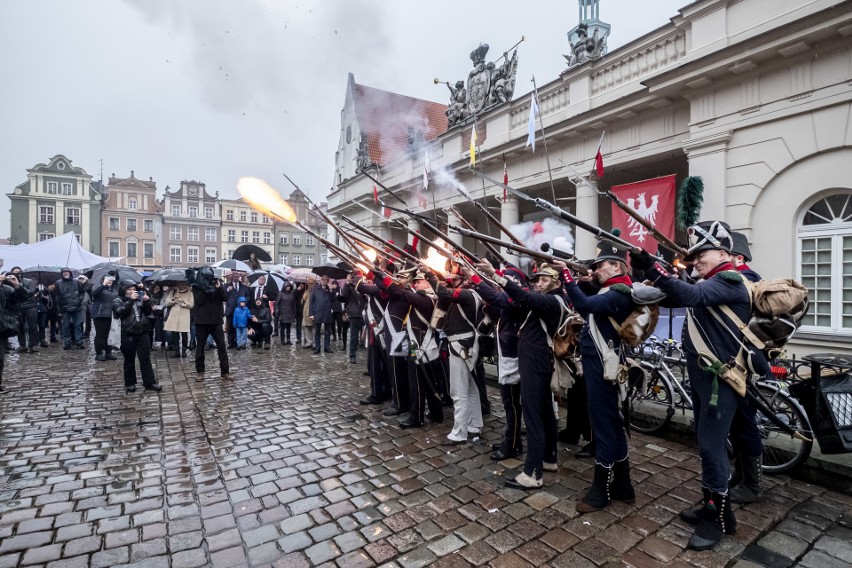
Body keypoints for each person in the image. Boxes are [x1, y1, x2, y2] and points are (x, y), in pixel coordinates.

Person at [630, 220, 772, 551]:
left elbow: (690, 294)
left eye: (701, 254)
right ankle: (721, 512)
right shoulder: (709, 281)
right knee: (709, 444)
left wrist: (654, 264)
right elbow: (665, 296)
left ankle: (716, 519)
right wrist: (645, 271)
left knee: (710, 447)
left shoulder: (729, 279)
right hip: (706, 377)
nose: (695, 260)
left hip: (718, 380)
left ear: (723, 253)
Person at [560, 245, 637, 512]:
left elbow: (583, 305)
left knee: (604, 425)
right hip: (602, 363)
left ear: (617, 266)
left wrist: (567, 278)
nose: (595, 270)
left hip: (604, 365)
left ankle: (600, 490)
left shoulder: (620, 292)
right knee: (612, 425)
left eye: (600, 265)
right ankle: (623, 484)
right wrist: (584, 281)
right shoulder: (612, 290)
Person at [476, 261, 564, 489]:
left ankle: (532, 473)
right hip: (537, 360)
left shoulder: (553, 299)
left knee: (533, 416)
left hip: (536, 361)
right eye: (538, 279)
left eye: (545, 280)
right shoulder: (551, 299)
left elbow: (521, 296)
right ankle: (549, 458)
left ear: (556, 282)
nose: (538, 283)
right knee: (544, 413)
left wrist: (494, 274)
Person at [465, 263, 527, 461]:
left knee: (512, 405)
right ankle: (511, 439)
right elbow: (493, 306)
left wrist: (475, 278)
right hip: (506, 357)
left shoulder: (517, 299)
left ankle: (513, 444)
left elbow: (497, 297)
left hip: (514, 360)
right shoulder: (508, 298)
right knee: (509, 404)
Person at [375, 266, 444, 429]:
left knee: (417, 384)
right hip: (420, 345)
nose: (416, 284)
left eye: (419, 282)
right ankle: (436, 414)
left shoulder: (427, 299)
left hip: (420, 346)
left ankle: (416, 417)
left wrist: (382, 276)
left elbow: (401, 293)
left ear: (428, 284)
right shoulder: (425, 297)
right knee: (428, 382)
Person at [424, 269, 483, 446]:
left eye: (453, 280)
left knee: (458, 391)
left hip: (461, 345)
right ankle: (474, 425)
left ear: (463, 280)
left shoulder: (466, 293)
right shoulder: (468, 293)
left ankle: (459, 432)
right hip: (465, 344)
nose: (449, 283)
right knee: (471, 388)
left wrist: (429, 275)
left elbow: (442, 292)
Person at [112, 279, 160, 393]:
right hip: (127, 333)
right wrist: (130, 300)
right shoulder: (117, 300)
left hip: (142, 332)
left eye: (134, 289)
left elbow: (148, 312)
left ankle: (149, 382)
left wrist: (147, 301)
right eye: (129, 289)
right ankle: (130, 383)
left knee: (145, 358)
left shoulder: (139, 299)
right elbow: (120, 313)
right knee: (129, 359)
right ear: (124, 290)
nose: (132, 291)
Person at [191, 267, 231, 381]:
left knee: (222, 347)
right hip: (202, 322)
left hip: (216, 321)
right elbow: (199, 301)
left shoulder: (217, 284)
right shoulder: (197, 287)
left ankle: (225, 372)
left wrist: (219, 288)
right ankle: (200, 371)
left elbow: (225, 298)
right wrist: (205, 289)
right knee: (200, 348)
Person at [0, 273, 28, 391]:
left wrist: (17, 285)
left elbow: (23, 298)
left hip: (1, 327)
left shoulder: (6, 289)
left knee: (0, 357)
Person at [8, 267, 39, 353]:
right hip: (18, 307)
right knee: (19, 327)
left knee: (32, 326)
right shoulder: (9, 283)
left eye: (19, 272)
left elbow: (30, 293)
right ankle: (22, 345)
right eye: (15, 273)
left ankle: (34, 344)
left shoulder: (29, 281)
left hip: (30, 306)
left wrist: (18, 285)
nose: (17, 274)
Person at [53, 268, 86, 350]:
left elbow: (82, 292)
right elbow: (56, 296)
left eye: (67, 272)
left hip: (76, 307)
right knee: (65, 326)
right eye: (63, 272)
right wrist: (60, 306)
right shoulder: (58, 283)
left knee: (77, 325)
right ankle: (67, 342)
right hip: (65, 308)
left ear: (70, 273)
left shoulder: (76, 282)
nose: (65, 273)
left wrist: (79, 301)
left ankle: (79, 342)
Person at [339, 271, 367, 364]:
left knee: (368, 337)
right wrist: (347, 282)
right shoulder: (349, 287)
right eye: (354, 277)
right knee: (353, 337)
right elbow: (343, 295)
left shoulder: (363, 286)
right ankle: (352, 355)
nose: (356, 279)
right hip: (354, 314)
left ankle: (370, 356)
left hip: (364, 314)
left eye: (357, 277)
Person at [91, 274, 119, 361]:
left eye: (111, 280)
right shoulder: (97, 287)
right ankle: (99, 354)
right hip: (100, 315)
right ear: (102, 280)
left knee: (110, 335)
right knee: (100, 335)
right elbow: (94, 293)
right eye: (107, 279)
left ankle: (108, 352)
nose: (109, 281)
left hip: (111, 315)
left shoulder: (114, 290)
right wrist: (103, 284)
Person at [164, 282, 194, 358]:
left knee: (184, 334)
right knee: (174, 334)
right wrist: (173, 300)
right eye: (180, 284)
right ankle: (176, 351)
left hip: (184, 315)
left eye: (183, 284)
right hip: (174, 315)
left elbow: (191, 304)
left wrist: (182, 302)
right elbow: (167, 302)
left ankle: (184, 351)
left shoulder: (190, 293)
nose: (181, 285)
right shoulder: (173, 291)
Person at [309, 274, 336, 354]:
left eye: (326, 280)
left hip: (327, 312)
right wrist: (311, 314)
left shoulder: (329, 289)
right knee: (317, 331)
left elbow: (334, 300)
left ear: (328, 281)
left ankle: (326, 347)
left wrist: (331, 291)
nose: (324, 281)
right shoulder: (315, 289)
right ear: (320, 280)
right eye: (323, 279)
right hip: (317, 313)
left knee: (327, 331)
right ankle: (317, 347)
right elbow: (311, 303)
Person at [224, 272, 249, 348]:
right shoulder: (226, 286)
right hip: (230, 309)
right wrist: (227, 291)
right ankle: (230, 343)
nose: (236, 278)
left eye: (238, 277)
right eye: (234, 277)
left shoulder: (244, 287)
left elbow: (248, 297)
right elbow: (223, 296)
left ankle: (239, 342)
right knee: (230, 327)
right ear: (231, 277)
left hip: (241, 311)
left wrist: (244, 302)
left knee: (240, 327)